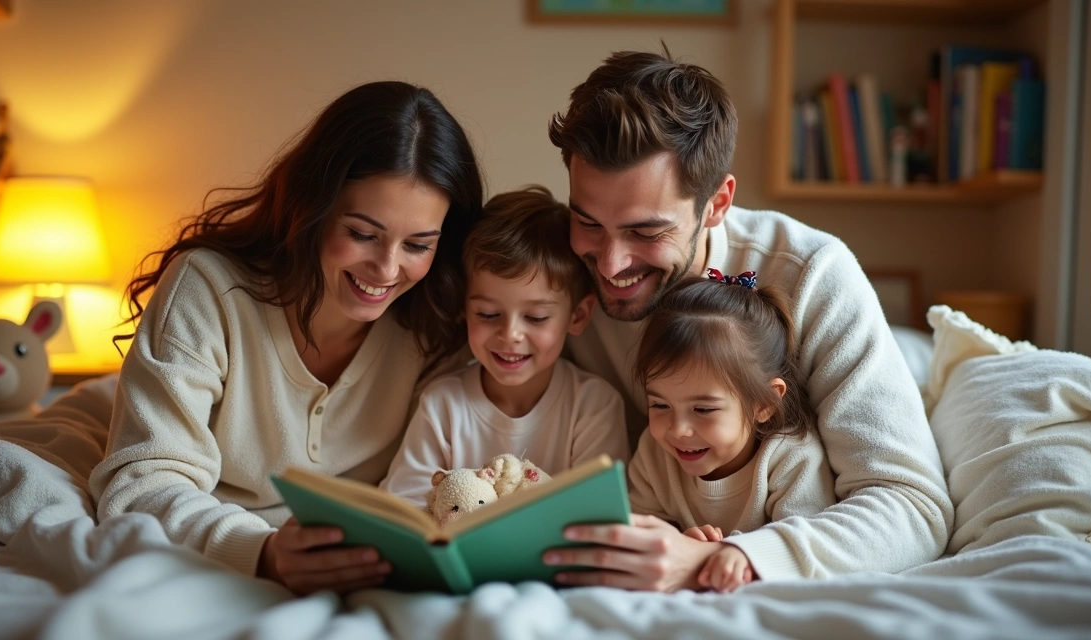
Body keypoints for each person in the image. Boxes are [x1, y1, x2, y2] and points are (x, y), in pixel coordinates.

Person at [540, 49, 953, 591]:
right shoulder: (550, 273)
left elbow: (913, 508)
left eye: (645, 232)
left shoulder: (811, 274)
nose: (611, 264)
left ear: (717, 203)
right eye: (588, 221)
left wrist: (727, 558)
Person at [88, 81, 484, 596]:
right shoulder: (209, 288)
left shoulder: (438, 320)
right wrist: (263, 552)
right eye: (363, 234)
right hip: (231, 556)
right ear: (312, 208)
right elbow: (142, 483)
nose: (387, 268)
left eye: (417, 244)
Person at [380, 186, 630, 507]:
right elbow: (406, 506)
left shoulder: (594, 407)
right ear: (463, 308)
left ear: (578, 316)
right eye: (488, 314)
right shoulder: (442, 404)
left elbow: (597, 515)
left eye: (536, 317)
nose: (510, 334)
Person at [627, 274, 835, 593]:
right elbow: (642, 532)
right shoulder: (655, 455)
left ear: (763, 404)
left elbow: (805, 545)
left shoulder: (791, 460)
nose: (677, 430)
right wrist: (679, 543)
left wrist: (737, 554)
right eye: (659, 404)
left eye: (703, 410)